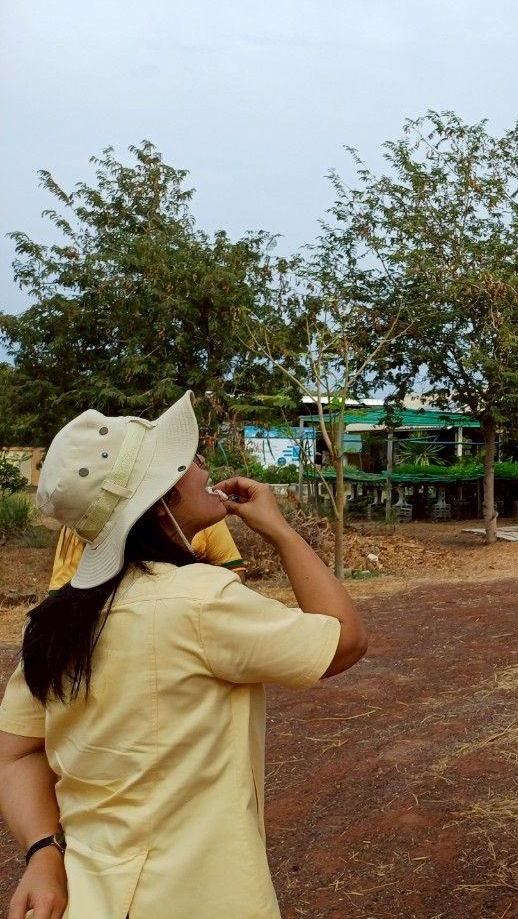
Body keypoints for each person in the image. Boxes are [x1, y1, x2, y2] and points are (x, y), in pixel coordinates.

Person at [0, 391, 368, 919]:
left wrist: (42, 852)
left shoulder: (58, 619)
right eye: (190, 460)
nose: (203, 467)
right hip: (200, 897)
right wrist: (281, 530)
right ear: (163, 497)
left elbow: (15, 751)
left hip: (87, 895)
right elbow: (345, 638)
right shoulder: (200, 600)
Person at [48, 516, 246, 591]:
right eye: (192, 461)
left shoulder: (209, 519)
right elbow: (61, 592)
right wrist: (277, 533)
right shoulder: (82, 526)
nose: (201, 463)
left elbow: (234, 571)